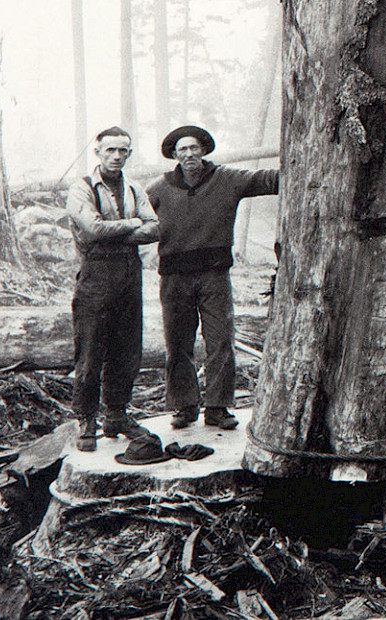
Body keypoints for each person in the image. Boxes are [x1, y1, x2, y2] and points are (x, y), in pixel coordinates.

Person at [148, 125, 279, 431]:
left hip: (214, 275)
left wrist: (304, 166)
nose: (189, 154)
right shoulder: (158, 189)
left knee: (220, 340)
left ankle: (218, 407)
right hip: (174, 278)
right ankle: (184, 405)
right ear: (175, 156)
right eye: (183, 150)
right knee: (177, 342)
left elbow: (269, 180)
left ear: (204, 150)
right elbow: (134, 216)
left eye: (194, 148)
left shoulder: (226, 179)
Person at [65, 126, 166, 463]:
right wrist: (130, 224)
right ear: (98, 152)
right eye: (111, 150)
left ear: (129, 154)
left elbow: (155, 227)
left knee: (127, 351)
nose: (117, 156)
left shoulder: (134, 187)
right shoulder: (82, 189)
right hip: (95, 277)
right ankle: (86, 420)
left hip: (128, 275)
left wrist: (121, 230)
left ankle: (117, 415)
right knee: (91, 352)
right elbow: (92, 230)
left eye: (123, 151)